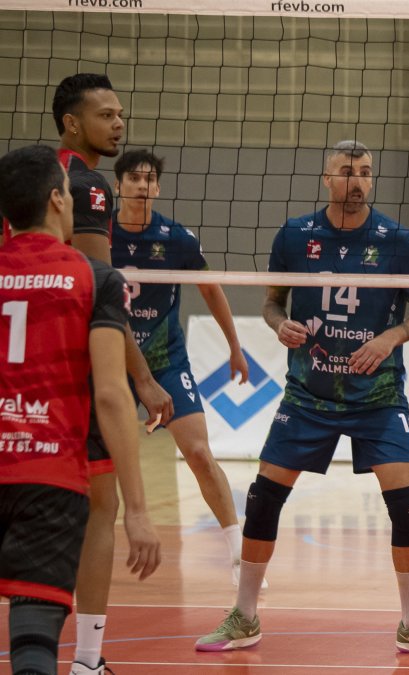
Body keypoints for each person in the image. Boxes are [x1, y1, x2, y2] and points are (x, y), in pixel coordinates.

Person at [194, 140, 409, 655]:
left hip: (378, 396)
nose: (357, 181)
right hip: (309, 394)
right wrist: (280, 326)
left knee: (408, 505)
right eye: (347, 172)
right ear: (327, 179)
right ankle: (244, 616)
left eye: (365, 173)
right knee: (263, 498)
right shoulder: (295, 236)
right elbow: (272, 304)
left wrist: (390, 338)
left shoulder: (398, 242)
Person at [0, 144, 161, 675]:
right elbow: (112, 395)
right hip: (50, 476)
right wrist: (137, 511)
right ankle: (82, 664)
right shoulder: (94, 278)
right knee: (33, 638)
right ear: (56, 199)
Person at [49, 72, 175, 675]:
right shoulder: (88, 186)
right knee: (105, 507)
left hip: (21, 364)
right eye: (105, 115)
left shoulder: (29, 175)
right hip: (73, 368)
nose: (119, 124)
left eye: (121, 112)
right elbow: (103, 289)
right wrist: (143, 378)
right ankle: (88, 661)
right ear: (73, 123)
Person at [110, 148, 255, 586]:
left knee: (198, 453)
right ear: (118, 186)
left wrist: (235, 346)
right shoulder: (96, 234)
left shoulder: (177, 239)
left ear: (157, 187)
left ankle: (239, 554)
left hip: (165, 358)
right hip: (109, 356)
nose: (141, 185)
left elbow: (211, 290)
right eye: (133, 178)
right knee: (90, 461)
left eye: (148, 179)